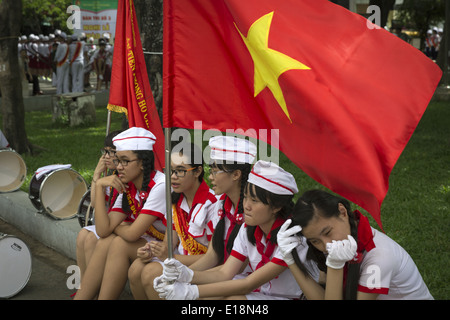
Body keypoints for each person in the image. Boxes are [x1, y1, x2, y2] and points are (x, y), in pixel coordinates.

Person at [155, 161, 319, 300]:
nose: (246, 205)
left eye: (254, 200)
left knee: (232, 299)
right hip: (260, 294)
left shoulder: (291, 237)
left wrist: (191, 292)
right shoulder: (248, 228)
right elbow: (225, 272)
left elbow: (248, 284)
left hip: (289, 297)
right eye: (246, 197)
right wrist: (186, 276)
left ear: (276, 207)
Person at [277, 189, 434, 300]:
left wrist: (335, 267)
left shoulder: (379, 257)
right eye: (315, 241)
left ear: (342, 212)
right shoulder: (342, 242)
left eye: (327, 232)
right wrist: (291, 261)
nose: (326, 245)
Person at [73, 127, 166, 300]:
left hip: (172, 248)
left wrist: (119, 227)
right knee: (107, 240)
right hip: (151, 243)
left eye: (125, 161)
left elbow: (131, 234)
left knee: (118, 243)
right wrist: (100, 184)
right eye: (118, 161)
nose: (119, 167)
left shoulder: (160, 185)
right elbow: (103, 230)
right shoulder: (128, 184)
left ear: (142, 163)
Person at [128, 141, 218, 299]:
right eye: (170, 171)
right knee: (136, 267)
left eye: (180, 171)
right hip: (180, 260)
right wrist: (151, 251)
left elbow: (213, 257)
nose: (173, 177)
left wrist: (171, 258)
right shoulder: (176, 200)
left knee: (151, 273)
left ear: (197, 171)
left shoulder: (212, 205)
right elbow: (169, 245)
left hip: (204, 268)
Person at [75, 130, 122, 280]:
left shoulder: (124, 176)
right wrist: (96, 175)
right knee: (83, 234)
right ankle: (84, 285)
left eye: (111, 152)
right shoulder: (110, 176)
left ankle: (94, 288)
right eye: (105, 152)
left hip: (120, 224)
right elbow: (95, 203)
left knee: (91, 239)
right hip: (110, 223)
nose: (106, 157)